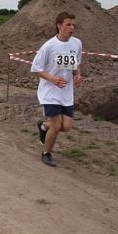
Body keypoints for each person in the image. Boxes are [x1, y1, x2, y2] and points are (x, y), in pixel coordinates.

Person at [31, 12, 83, 167]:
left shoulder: (77, 43)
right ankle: (46, 153)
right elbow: (36, 68)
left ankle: (43, 126)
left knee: (66, 126)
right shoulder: (49, 46)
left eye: (73, 24)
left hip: (66, 92)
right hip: (50, 92)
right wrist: (52, 79)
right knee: (56, 125)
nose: (72, 28)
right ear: (59, 25)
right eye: (68, 24)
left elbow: (76, 63)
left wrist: (78, 74)